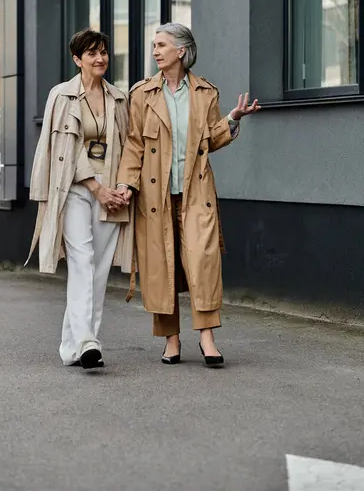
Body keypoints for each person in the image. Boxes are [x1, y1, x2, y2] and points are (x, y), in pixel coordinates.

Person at [116, 22, 260, 367]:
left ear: (181, 51)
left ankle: (208, 339)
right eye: (154, 45)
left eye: (162, 45)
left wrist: (233, 119)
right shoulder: (142, 94)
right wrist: (125, 184)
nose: (155, 51)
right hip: (154, 198)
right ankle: (171, 341)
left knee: (203, 263)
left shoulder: (206, 93)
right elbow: (134, 145)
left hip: (196, 194)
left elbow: (209, 139)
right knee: (160, 268)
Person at [26, 28, 133, 369]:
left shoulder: (118, 98)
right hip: (74, 188)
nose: (100, 58)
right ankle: (88, 340)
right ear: (77, 59)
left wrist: (122, 186)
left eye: (103, 52)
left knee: (99, 269)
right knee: (82, 260)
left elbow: (129, 146)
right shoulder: (61, 95)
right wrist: (95, 187)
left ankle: (77, 347)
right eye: (92, 53)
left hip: (111, 191)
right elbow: (62, 149)